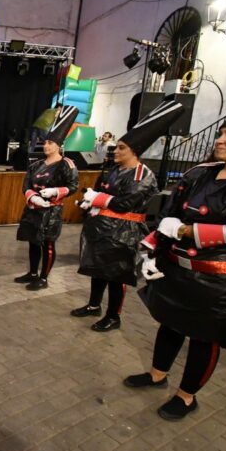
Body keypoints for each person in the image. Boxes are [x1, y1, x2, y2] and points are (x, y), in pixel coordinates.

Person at [127, 69, 226, 421]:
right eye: (222, 133)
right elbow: (170, 215)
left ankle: (187, 396)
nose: (220, 139)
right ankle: (157, 374)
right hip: (179, 274)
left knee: (203, 340)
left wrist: (183, 233)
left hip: (217, 282)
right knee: (170, 325)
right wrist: (150, 246)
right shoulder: (200, 174)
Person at [71, 99, 183, 331]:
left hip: (124, 233)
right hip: (102, 229)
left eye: (122, 148)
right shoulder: (113, 170)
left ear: (135, 151)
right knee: (98, 270)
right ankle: (94, 305)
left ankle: (114, 315)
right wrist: (89, 203)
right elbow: (100, 191)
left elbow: (125, 204)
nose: (116, 151)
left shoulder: (143, 174)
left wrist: (97, 199)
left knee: (117, 276)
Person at [15, 106, 80, 290]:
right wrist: (32, 197)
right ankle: (33, 273)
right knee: (33, 241)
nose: (46, 145)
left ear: (58, 145)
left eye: (50, 143)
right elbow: (26, 185)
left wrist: (55, 192)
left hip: (51, 211)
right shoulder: (35, 165)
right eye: (45, 142)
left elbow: (73, 186)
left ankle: (43, 278)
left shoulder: (66, 164)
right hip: (34, 209)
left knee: (47, 244)